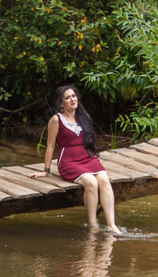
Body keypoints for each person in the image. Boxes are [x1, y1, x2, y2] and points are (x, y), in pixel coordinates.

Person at [28, 85, 121, 234]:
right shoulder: (56, 120)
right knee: (91, 182)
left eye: (73, 96)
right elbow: (51, 146)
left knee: (103, 179)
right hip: (69, 162)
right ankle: (93, 225)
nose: (72, 99)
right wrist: (46, 170)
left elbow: (89, 141)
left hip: (88, 158)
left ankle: (112, 225)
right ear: (61, 103)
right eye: (67, 98)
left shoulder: (83, 117)